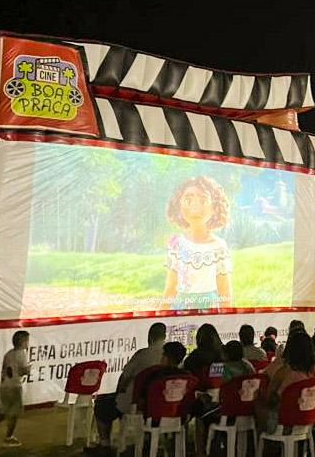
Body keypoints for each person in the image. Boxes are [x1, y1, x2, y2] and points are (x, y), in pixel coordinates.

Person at [86, 342, 190, 456]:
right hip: (177, 417)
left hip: (150, 416)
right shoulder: (186, 377)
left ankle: (105, 444)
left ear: (165, 358)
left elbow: (136, 394)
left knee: (103, 404)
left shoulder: (151, 374)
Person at [90, 323, 166, 451]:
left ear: (150, 338)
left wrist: (119, 392)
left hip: (136, 404)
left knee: (102, 404)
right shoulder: (170, 357)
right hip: (162, 404)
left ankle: (105, 444)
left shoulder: (142, 355)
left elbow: (124, 378)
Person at [161, 176, 233, 310]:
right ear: (179, 206)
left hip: (209, 308)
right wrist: (160, 314)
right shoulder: (177, 243)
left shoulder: (218, 246)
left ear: (215, 207)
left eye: (203, 200)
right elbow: (171, 287)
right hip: (181, 308)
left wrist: (227, 318)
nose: (195, 208)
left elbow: (225, 291)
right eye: (188, 200)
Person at [260, 331, 315, 432]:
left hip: (283, 423)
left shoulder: (284, 371)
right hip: (308, 419)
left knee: (259, 405)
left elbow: (268, 397)